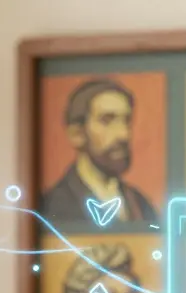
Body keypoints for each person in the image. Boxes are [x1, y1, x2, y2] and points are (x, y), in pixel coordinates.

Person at [40, 78, 158, 225]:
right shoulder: (51, 207)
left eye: (126, 121)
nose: (123, 134)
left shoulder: (142, 206)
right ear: (77, 134)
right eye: (107, 120)